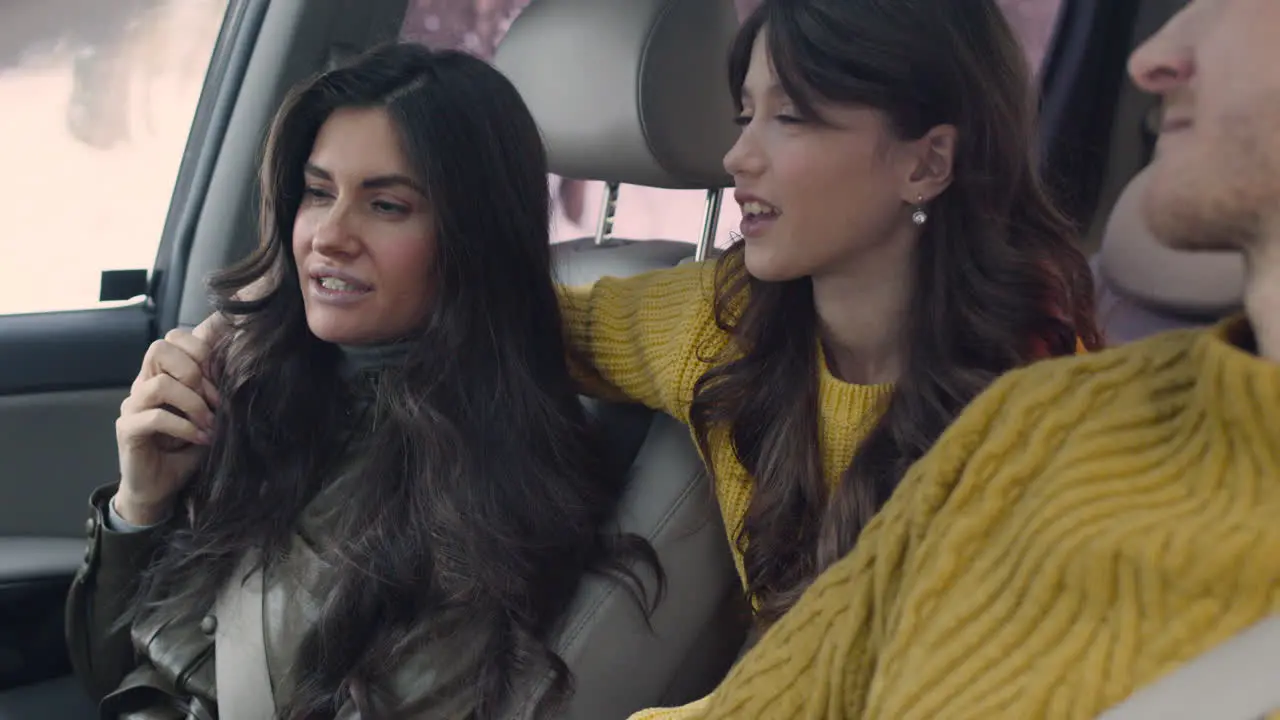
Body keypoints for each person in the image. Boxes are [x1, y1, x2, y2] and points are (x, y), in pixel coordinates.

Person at [198, 0, 1098, 711]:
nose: (738, 154)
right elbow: (499, 315)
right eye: (745, 113)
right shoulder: (719, 325)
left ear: (926, 163)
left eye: (792, 119)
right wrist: (256, 331)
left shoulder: (1039, 413)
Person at [681, 0, 1280, 717]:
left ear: (929, 161)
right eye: (747, 113)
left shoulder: (1026, 385)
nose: (1151, 60)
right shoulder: (1036, 420)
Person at [66, 42, 654, 719]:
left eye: (386, 206)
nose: (329, 235)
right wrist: (141, 506)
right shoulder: (256, 384)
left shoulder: (487, 493)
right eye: (318, 194)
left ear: (472, 237)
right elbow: (110, 672)